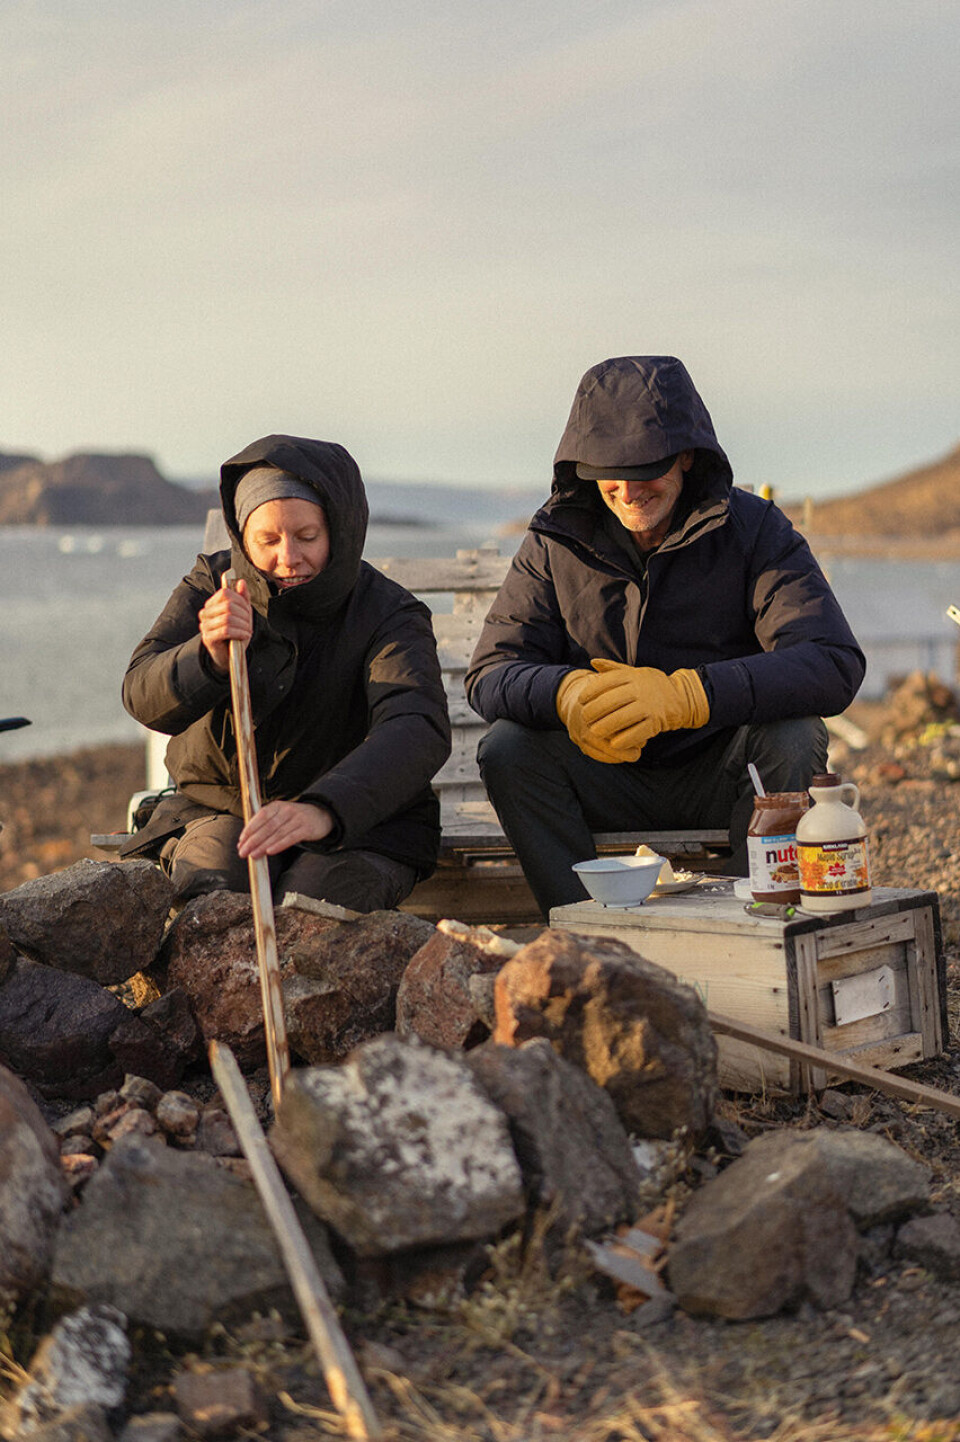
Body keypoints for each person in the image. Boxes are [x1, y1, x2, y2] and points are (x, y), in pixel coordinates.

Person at [464, 355, 866, 917]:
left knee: (794, 734)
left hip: (719, 775)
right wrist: (569, 695)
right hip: (599, 776)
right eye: (610, 470)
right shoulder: (555, 539)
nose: (628, 490)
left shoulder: (756, 530)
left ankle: (751, 922)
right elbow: (490, 673)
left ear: (685, 455)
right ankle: (582, 933)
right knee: (508, 749)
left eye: (645, 468)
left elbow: (832, 662)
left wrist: (690, 696)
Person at [121, 434, 451, 912]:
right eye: (267, 540)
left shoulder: (388, 612)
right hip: (219, 806)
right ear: (242, 538)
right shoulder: (211, 585)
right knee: (219, 905)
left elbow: (416, 725)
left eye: (307, 536)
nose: (288, 558)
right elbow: (140, 694)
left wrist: (325, 808)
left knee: (312, 912)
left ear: (339, 529)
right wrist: (207, 655)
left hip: (361, 823)